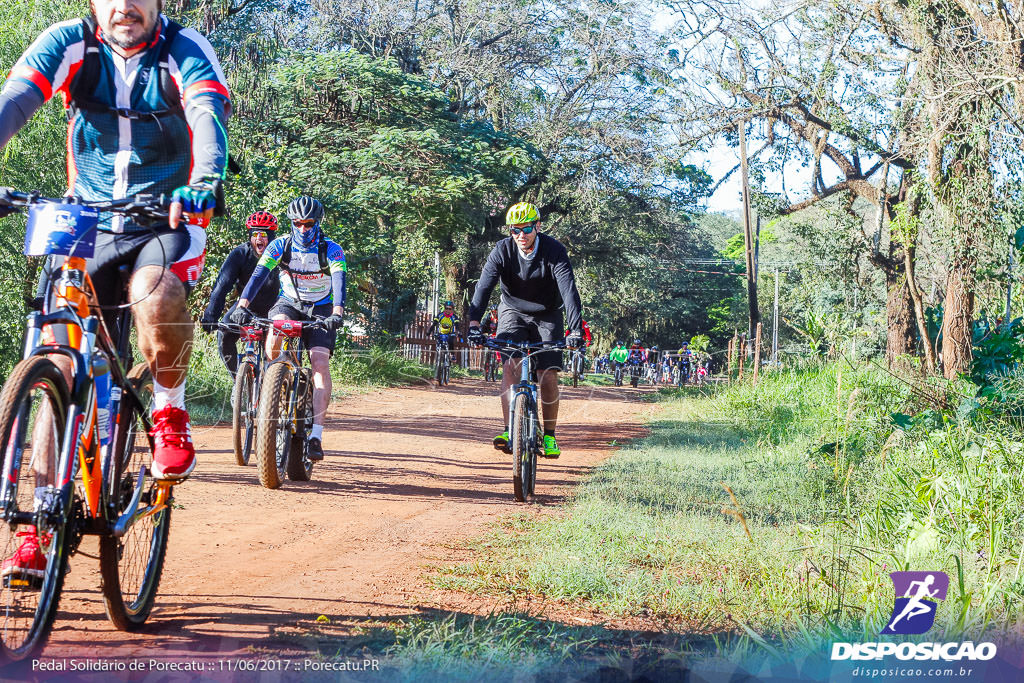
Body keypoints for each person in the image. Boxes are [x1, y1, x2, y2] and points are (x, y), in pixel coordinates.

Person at [0, 0, 230, 580]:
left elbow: (207, 118)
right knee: (56, 351)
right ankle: (35, 527)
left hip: (165, 217)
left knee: (157, 292)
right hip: (86, 220)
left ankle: (169, 412)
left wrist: (205, 183)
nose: (124, 6)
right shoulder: (70, 42)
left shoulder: (184, 50)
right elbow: (17, 100)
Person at [230, 196, 346, 462]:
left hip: (322, 307)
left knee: (319, 361)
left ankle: (316, 434)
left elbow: (340, 281)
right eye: (297, 223)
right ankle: (277, 388)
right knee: (273, 343)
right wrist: (242, 304)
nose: (303, 229)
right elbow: (257, 276)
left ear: (318, 223)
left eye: (308, 224)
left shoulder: (332, 249)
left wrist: (337, 313)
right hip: (289, 303)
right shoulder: (279, 246)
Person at [467, 202, 583, 458]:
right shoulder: (502, 250)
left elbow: (569, 290)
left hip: (548, 313)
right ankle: (510, 430)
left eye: (527, 229)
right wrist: (474, 323)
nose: (521, 235)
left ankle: (550, 436)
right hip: (512, 312)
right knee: (511, 365)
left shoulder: (554, 250)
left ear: (538, 226)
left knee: (547, 374)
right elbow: (483, 288)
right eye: (515, 230)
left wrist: (576, 330)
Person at [200, 211, 281, 375]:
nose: (259, 239)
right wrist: (211, 315)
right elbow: (222, 286)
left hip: (276, 309)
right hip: (246, 307)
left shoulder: (282, 253)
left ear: (272, 237)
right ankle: (239, 381)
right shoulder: (239, 254)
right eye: (255, 234)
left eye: (264, 234)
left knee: (272, 355)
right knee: (224, 335)